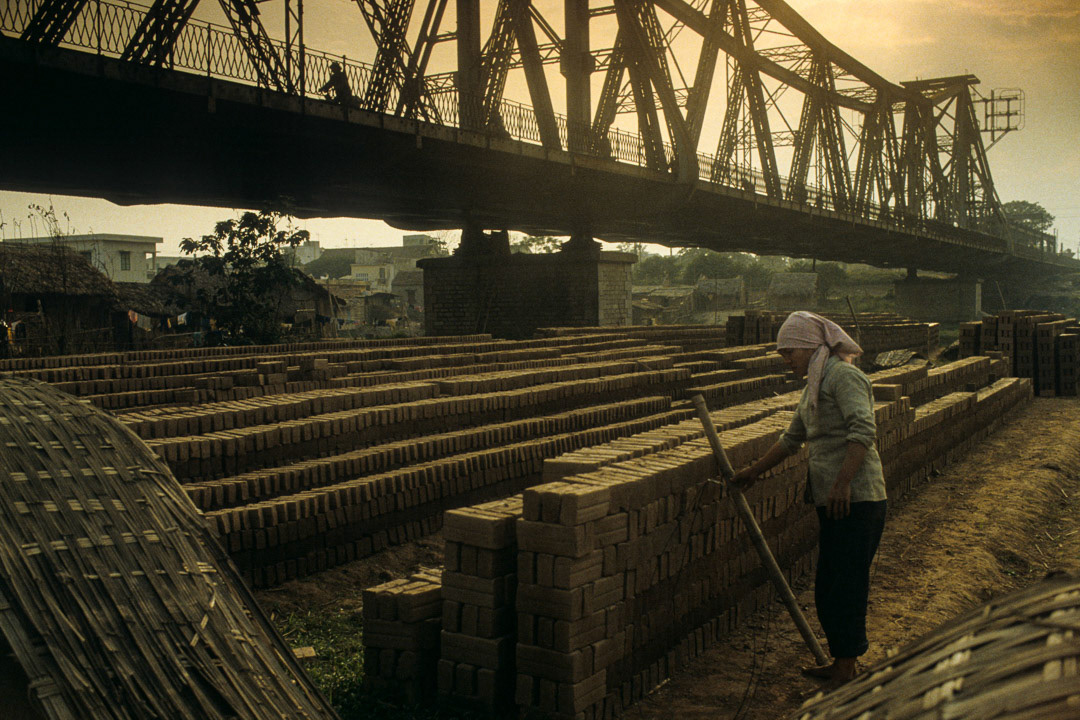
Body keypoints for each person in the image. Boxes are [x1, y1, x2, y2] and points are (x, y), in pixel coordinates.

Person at [732, 311, 886, 686]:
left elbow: (863, 430)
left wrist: (843, 482)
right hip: (833, 499)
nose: (787, 360)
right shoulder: (815, 384)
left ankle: (846, 667)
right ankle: (841, 661)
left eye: (790, 352)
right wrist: (754, 471)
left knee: (846, 584)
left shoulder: (844, 376)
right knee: (829, 585)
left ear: (811, 347)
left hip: (857, 498)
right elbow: (792, 439)